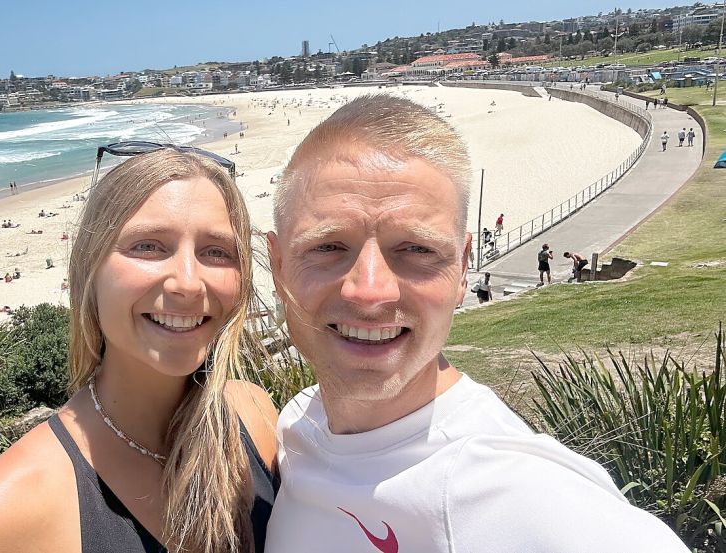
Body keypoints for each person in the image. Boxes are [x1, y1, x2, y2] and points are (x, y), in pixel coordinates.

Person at [263, 94, 689, 552]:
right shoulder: (299, 426)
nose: (369, 291)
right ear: (278, 265)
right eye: (327, 247)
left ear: (463, 268)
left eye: (417, 249)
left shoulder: (523, 495)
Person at [0, 147, 279, 552]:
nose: (188, 283)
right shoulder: (2, 515)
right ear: (90, 269)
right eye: (148, 246)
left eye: (216, 251)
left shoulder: (254, 417)